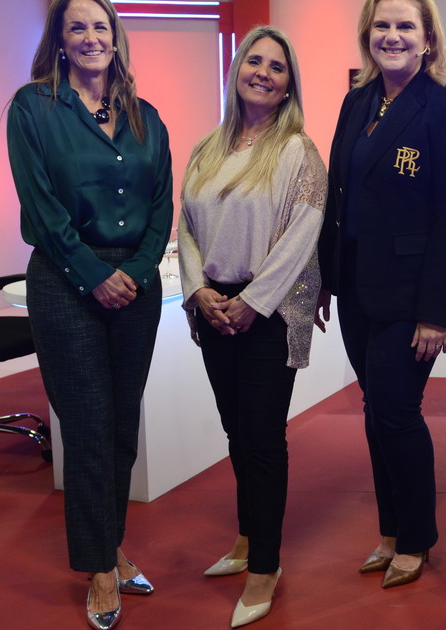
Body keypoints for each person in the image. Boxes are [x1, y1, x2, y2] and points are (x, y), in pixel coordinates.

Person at [6, 0, 172, 628]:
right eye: (77, 26)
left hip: (136, 284)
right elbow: (42, 209)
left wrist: (139, 269)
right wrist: (95, 274)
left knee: (122, 426)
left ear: (116, 38)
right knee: (88, 428)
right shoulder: (33, 108)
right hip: (66, 280)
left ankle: (111, 544)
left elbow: (162, 204)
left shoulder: (146, 116)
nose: (91, 36)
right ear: (60, 39)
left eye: (101, 26)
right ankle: (99, 569)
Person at [316, 0, 446, 589]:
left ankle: (415, 539)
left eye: (405, 25)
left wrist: (436, 312)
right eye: (382, 25)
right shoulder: (357, 102)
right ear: (368, 35)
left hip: (411, 299)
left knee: (395, 411)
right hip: (357, 288)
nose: (392, 35)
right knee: (375, 412)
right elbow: (337, 198)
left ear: (428, 39)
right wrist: (325, 278)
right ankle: (390, 531)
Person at [177, 25, 325, 628]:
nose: (263, 73)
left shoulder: (298, 151)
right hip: (214, 307)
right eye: (254, 61)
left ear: (289, 85)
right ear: (236, 69)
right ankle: (245, 538)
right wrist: (197, 290)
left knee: (262, 440)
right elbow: (185, 226)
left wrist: (254, 302)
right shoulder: (207, 149)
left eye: (277, 67)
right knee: (236, 433)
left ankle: (265, 565)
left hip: (268, 314)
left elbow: (303, 236)